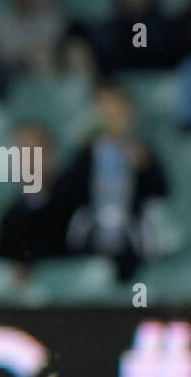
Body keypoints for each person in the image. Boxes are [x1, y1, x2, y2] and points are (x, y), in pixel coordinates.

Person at [55, 81, 169, 280]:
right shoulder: (87, 153)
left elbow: (162, 190)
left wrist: (145, 167)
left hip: (130, 237)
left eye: (118, 112)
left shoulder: (141, 152)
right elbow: (65, 192)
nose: (112, 119)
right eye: (106, 111)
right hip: (92, 233)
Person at [0, 124, 73, 266]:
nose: (26, 163)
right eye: (19, 155)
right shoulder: (10, 215)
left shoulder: (70, 209)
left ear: (51, 157)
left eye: (32, 154)